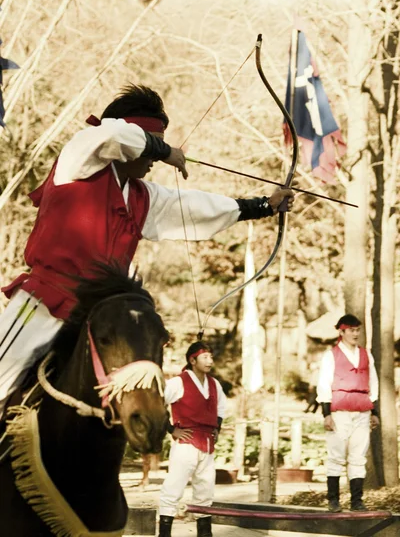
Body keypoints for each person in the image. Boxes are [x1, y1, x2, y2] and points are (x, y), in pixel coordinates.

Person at [0, 84, 294, 418]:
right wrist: (165, 150)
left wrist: (263, 205)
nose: (155, 160)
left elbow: (198, 207)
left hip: (101, 320)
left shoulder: (142, 196)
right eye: (152, 147)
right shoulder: (80, 160)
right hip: (45, 304)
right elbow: (111, 133)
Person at [158, 342, 225, 537]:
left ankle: (204, 535)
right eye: (205, 357)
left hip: (207, 443)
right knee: (174, 487)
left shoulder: (214, 384)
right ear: (192, 360)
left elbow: (220, 408)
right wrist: (171, 429)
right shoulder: (178, 382)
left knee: (205, 490)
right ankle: (164, 535)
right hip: (186, 442)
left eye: (211, 357)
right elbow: (157, 403)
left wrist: (217, 428)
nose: (210, 361)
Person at [316, 314, 380, 512]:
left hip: (361, 410)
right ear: (341, 331)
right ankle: (333, 500)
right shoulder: (331, 355)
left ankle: (357, 501)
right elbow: (324, 384)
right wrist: (326, 414)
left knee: (358, 457)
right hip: (339, 411)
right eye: (351, 330)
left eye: (357, 330)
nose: (355, 334)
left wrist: (374, 412)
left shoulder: (365, 354)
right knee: (336, 456)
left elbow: (373, 383)